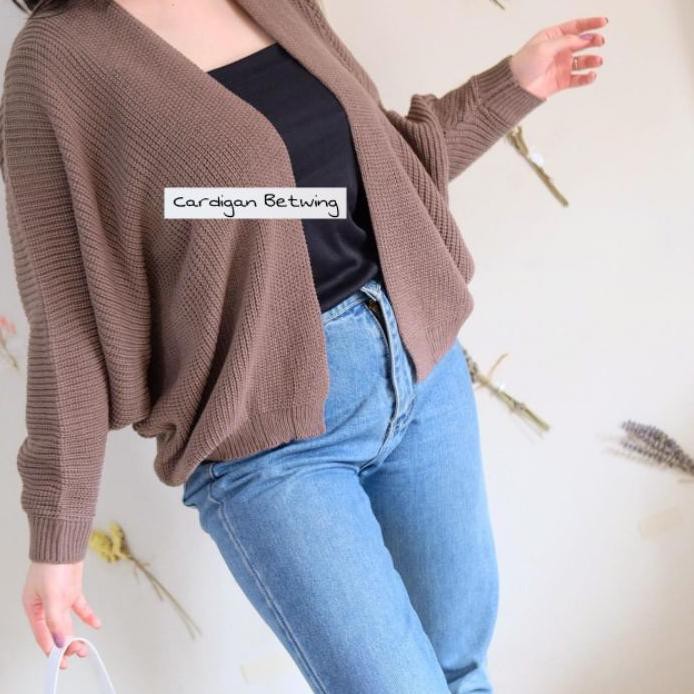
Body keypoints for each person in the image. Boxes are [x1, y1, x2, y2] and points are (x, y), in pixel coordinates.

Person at [2, 0, 606, 689]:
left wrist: (513, 84)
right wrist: (58, 534)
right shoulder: (56, 63)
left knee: (462, 673)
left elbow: (386, 172)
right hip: (273, 445)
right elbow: (67, 315)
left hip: (422, 370)